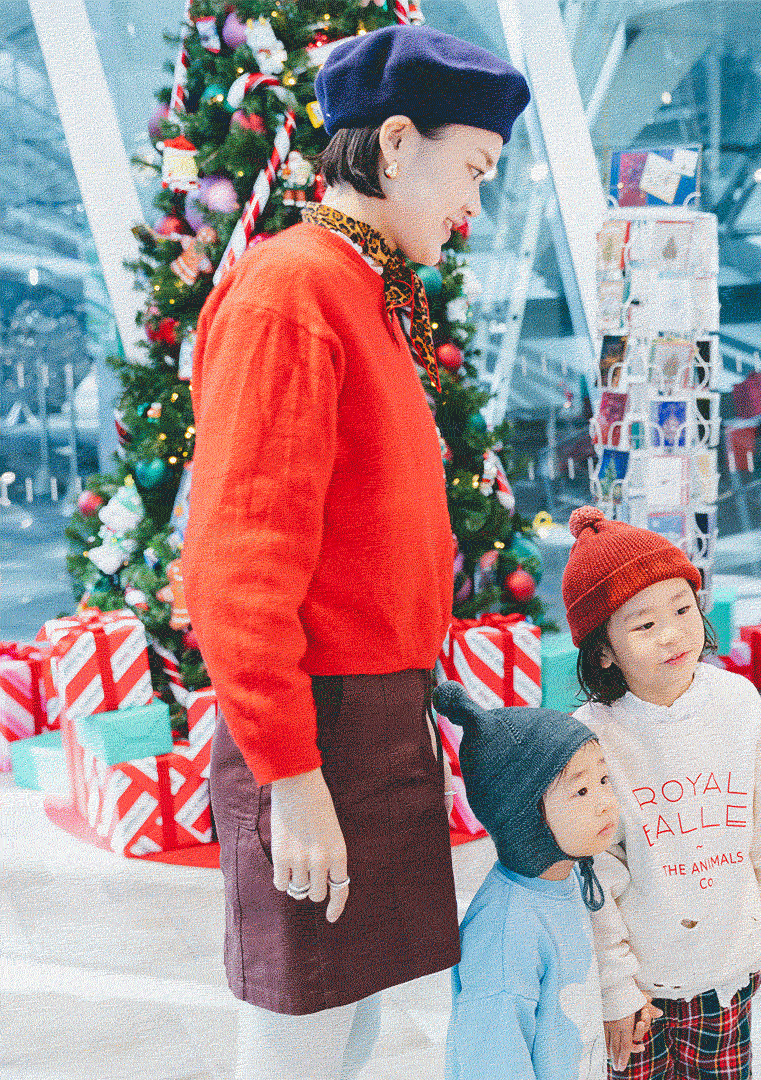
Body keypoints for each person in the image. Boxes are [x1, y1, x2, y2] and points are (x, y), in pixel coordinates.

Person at [181, 24, 529, 1080]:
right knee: (300, 1036)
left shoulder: (357, 286)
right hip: (318, 725)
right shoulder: (297, 292)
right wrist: (293, 778)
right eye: (470, 167)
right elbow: (238, 565)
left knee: (351, 1020)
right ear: (392, 146)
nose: (475, 202)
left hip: (369, 716)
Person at [560, 506, 761, 1080]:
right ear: (603, 650)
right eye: (644, 625)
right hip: (639, 985)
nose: (673, 634)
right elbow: (591, 874)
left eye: (682, 609)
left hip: (727, 966)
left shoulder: (737, 702)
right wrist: (614, 984)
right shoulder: (592, 735)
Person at [434, 681, 659, 1080]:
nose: (606, 801)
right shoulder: (505, 934)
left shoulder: (565, 877)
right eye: (582, 790)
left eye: (605, 781)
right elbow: (493, 1064)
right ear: (526, 817)